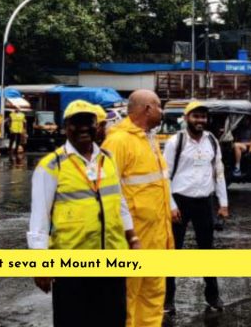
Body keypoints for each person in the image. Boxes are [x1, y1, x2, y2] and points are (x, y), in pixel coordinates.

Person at [28, 100, 139, 327]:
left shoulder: (107, 159)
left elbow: (119, 202)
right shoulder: (51, 166)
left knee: (113, 319)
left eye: (88, 122)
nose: (82, 128)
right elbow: (39, 219)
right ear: (65, 127)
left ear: (96, 126)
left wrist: (133, 238)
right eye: (75, 123)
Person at [102, 89, 173, 327]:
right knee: (128, 297)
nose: (162, 112)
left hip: (156, 236)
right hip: (133, 240)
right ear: (148, 109)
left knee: (153, 295)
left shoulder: (148, 139)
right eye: (160, 106)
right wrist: (128, 235)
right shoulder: (118, 140)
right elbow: (109, 192)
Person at [163, 101, 228, 315]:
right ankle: (167, 300)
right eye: (195, 116)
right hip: (179, 202)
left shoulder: (212, 141)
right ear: (186, 117)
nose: (200, 120)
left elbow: (218, 171)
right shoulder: (176, 141)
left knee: (207, 251)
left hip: (204, 202)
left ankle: (213, 297)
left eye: (203, 117)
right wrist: (171, 205)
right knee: (173, 252)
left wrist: (223, 203)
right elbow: (164, 176)